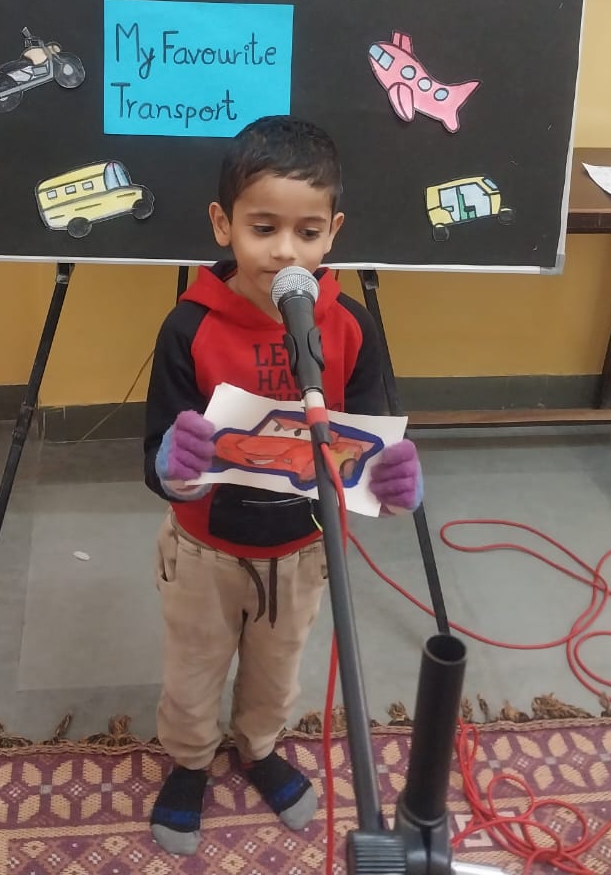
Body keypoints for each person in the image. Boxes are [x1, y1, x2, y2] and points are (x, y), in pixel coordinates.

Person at [143, 115, 422, 855]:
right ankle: (190, 762)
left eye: (307, 232)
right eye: (263, 228)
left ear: (333, 233)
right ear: (223, 224)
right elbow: (155, 454)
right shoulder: (188, 328)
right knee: (193, 672)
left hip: (301, 551)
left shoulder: (351, 328)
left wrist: (396, 482)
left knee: (277, 673)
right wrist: (176, 465)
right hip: (204, 552)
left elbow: (373, 441)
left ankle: (259, 747)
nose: (285, 252)